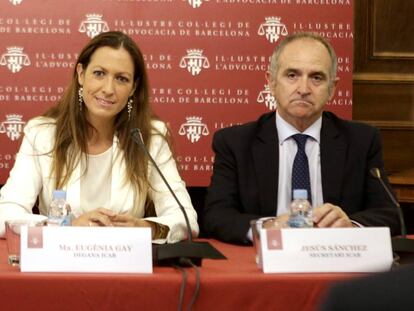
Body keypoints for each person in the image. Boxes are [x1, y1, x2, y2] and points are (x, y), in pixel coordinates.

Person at [0, 31, 198, 243]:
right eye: (99, 73)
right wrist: (65, 228)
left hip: (126, 264)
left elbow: (186, 220)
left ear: (134, 88)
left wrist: (146, 227)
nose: (108, 89)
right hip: (59, 265)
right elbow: (6, 214)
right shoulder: (42, 134)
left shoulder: (149, 138)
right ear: (81, 74)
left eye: (121, 79)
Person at [203, 32, 400, 244]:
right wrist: (270, 227)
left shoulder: (361, 140)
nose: (304, 89)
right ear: (271, 82)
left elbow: (390, 213)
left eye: (316, 77)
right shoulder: (235, 142)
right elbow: (216, 215)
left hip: (335, 258)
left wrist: (350, 226)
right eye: (292, 75)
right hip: (266, 260)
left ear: (332, 88)